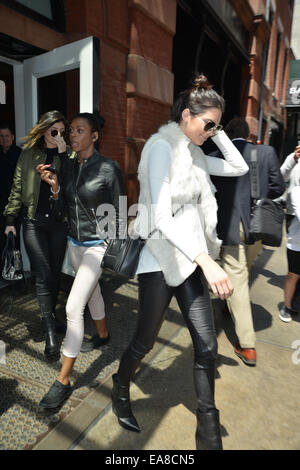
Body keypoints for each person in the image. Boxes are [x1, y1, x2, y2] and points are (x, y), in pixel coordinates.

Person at [111, 74, 249, 450]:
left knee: (206, 346)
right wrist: (207, 260)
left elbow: (239, 168)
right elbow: (158, 217)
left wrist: (217, 131)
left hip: (191, 258)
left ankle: (207, 431)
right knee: (145, 340)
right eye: (206, 123)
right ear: (186, 115)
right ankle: (120, 386)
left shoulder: (197, 153)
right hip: (161, 258)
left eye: (215, 125)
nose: (210, 131)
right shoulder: (161, 148)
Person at [38, 112, 126, 409]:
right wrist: (54, 186)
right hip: (75, 245)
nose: (71, 135)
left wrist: (115, 245)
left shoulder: (108, 168)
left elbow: (121, 209)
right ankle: (102, 335)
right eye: (70, 131)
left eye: (78, 130)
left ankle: (62, 381)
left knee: (73, 307)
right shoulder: (69, 167)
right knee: (93, 293)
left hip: (96, 247)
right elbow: (64, 205)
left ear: (94, 136)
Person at [211, 118, 285, 366]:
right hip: (258, 226)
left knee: (238, 279)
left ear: (228, 134)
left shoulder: (216, 154)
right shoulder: (266, 152)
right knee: (243, 271)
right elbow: (277, 188)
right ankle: (227, 303)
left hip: (231, 226)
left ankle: (247, 345)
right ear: (249, 134)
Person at [4, 111, 70, 360]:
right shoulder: (29, 154)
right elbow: (18, 186)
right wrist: (11, 218)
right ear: (44, 130)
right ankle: (51, 331)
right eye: (54, 132)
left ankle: (50, 316)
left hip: (58, 223)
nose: (59, 136)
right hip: (33, 222)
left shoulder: (68, 154)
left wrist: (63, 155)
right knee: (42, 272)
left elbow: (72, 186)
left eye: (62, 132)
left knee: (53, 273)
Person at [279, 143, 300, 322]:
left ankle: (294, 300)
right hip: (294, 213)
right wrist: (293, 158)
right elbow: (280, 176)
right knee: (294, 268)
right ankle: (289, 302)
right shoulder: (295, 160)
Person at [0, 124, 22, 260]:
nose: (4, 139)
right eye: (1, 136)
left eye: (7, 136)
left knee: (13, 238)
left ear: (12, 137)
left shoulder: (19, 154)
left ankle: (15, 271)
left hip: (15, 204)